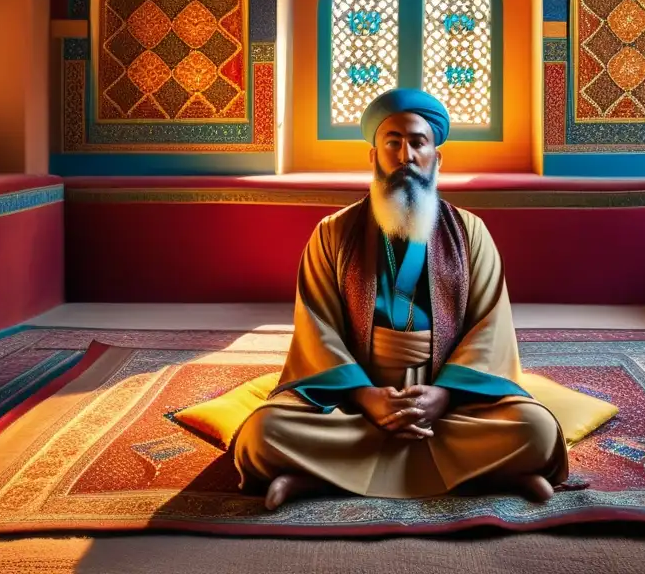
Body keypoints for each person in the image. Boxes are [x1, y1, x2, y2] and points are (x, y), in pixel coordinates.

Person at [234, 88, 568, 510]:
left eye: (417, 142)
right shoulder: (332, 233)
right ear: (373, 157)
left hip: (448, 405)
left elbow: (489, 328)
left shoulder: (470, 233)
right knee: (261, 435)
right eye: (392, 143)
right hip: (357, 400)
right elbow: (317, 330)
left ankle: (314, 477)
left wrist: (443, 395)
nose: (405, 155)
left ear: (437, 158)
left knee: (536, 430)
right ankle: (498, 474)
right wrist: (366, 396)